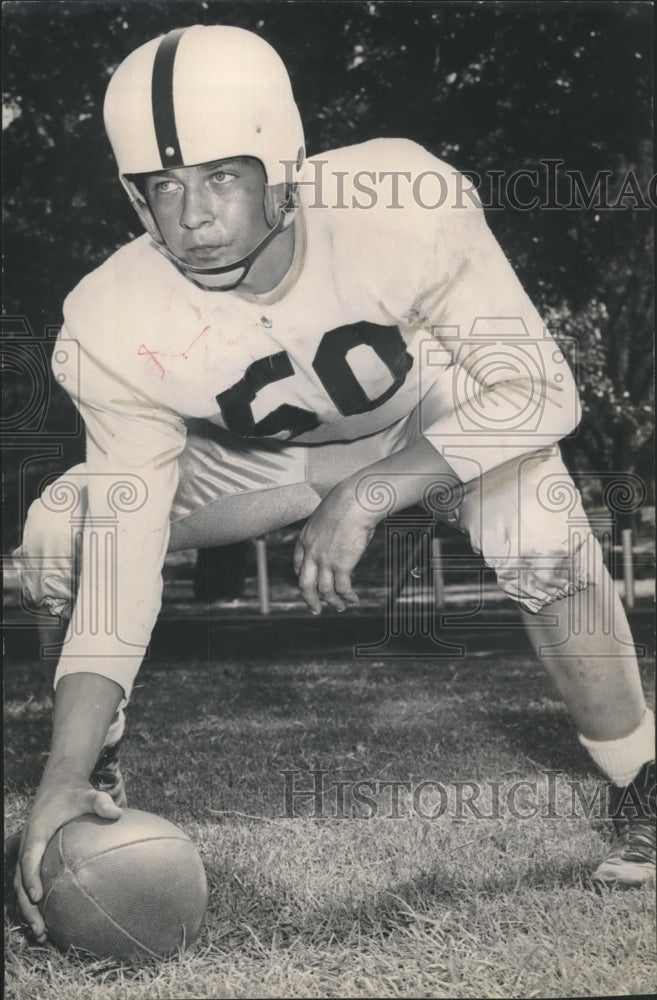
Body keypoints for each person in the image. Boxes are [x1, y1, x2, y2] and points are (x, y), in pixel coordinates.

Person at [10, 24, 655, 942]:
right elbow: (126, 537)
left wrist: (374, 489)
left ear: (282, 165)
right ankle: (95, 769)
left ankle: (642, 776)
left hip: (428, 413)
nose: (189, 217)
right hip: (273, 458)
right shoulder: (110, 314)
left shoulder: (397, 198)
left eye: (220, 176)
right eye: (163, 186)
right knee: (64, 527)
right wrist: (59, 770)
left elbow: (541, 390)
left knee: (538, 524)